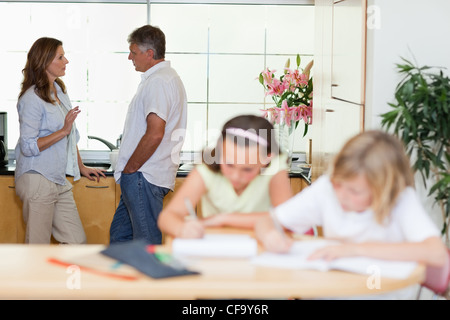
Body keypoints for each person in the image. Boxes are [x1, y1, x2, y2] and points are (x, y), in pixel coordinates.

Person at [255, 130, 448, 299]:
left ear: (382, 189)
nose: (341, 196)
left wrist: (355, 249)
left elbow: (437, 253)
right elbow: (267, 220)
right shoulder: (327, 188)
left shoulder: (401, 200)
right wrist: (270, 235)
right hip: (333, 291)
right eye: (337, 184)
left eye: (355, 191)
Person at [15, 37, 106, 244]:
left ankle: (57, 276)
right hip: (36, 176)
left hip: (57, 178)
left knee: (76, 242)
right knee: (38, 247)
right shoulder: (31, 98)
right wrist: (63, 130)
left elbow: (70, 134)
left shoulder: (60, 91)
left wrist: (81, 166)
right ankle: (35, 277)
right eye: (61, 57)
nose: (66, 61)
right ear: (45, 61)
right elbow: (29, 146)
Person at [109, 25, 187, 245]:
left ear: (149, 54)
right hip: (142, 176)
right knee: (120, 238)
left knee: (146, 244)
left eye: (133, 53)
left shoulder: (158, 82)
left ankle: (151, 279)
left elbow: (155, 133)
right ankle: (124, 279)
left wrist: (131, 169)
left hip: (144, 175)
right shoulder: (164, 79)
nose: (129, 57)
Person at [157, 114, 293, 239]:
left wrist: (222, 219)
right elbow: (167, 218)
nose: (236, 176)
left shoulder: (275, 167)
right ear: (220, 150)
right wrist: (181, 229)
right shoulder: (205, 171)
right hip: (215, 246)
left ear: (267, 159)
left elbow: (287, 218)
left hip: (259, 245)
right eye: (229, 165)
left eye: (247, 169)